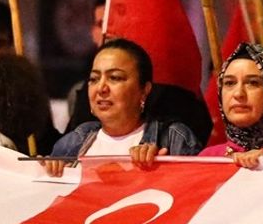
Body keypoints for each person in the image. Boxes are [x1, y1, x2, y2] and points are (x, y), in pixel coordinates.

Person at [46, 39, 201, 177]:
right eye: (94, 79)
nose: (101, 88)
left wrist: (161, 171)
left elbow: (197, 198)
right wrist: (48, 171)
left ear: (144, 90)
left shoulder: (173, 139)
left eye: (115, 78)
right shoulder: (73, 142)